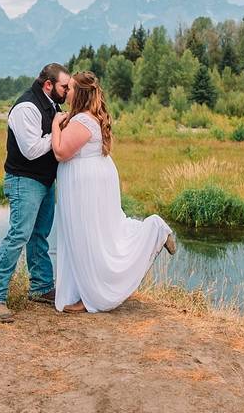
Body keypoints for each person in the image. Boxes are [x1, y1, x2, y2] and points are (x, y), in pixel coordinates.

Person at [50, 71, 176, 314]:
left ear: (82, 94)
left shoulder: (83, 121)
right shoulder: (84, 118)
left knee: (89, 236)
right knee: (101, 232)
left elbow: (61, 153)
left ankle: (154, 230)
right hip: (91, 179)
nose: (68, 92)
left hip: (86, 184)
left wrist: (56, 124)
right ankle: (83, 291)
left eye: (72, 88)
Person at [0, 63, 71, 323]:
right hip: (24, 180)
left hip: (45, 180)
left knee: (39, 235)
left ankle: (41, 287)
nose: (67, 91)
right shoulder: (26, 108)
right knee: (18, 235)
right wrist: (57, 131)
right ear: (48, 85)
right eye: (64, 86)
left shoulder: (52, 105)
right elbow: (31, 149)